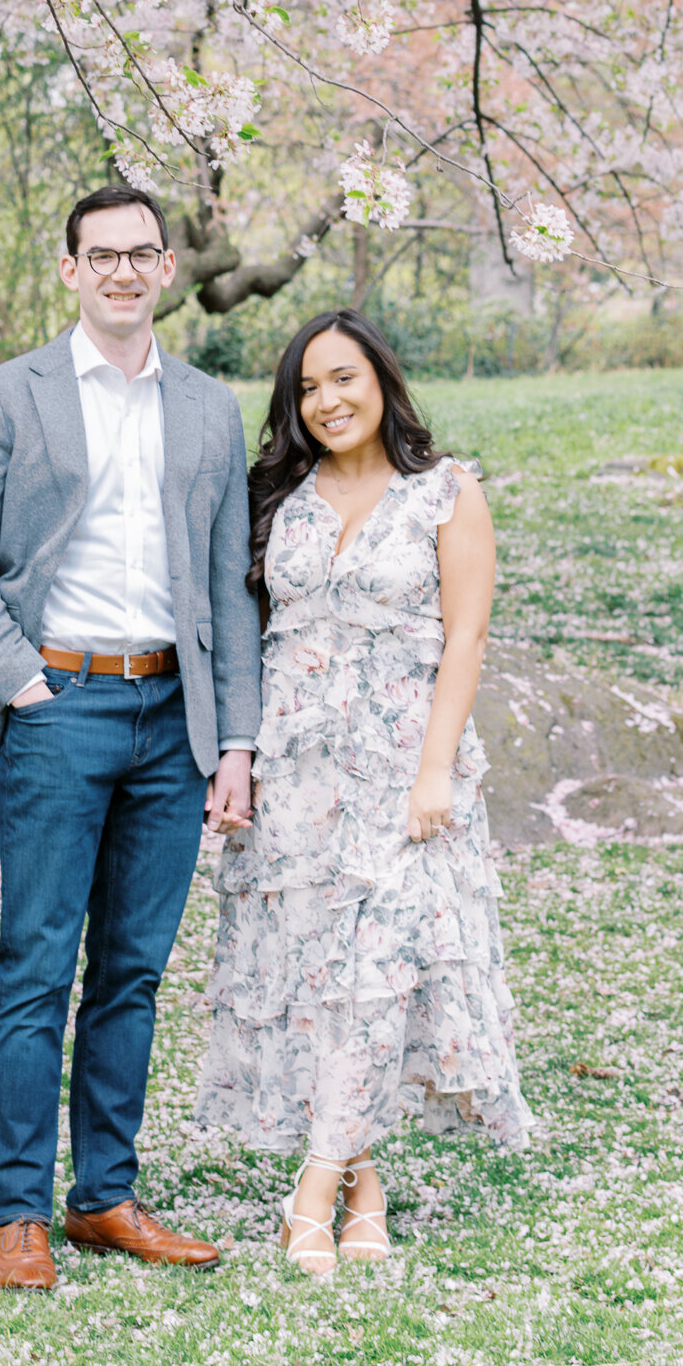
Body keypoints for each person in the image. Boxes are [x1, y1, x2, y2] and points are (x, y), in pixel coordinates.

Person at [0, 184, 262, 1292]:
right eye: (100, 255)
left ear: (168, 270)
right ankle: (19, 1211)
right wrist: (22, 685)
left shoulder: (210, 409)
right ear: (69, 269)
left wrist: (237, 744)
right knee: (35, 965)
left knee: (131, 971)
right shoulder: (9, 396)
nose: (122, 272)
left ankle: (104, 1198)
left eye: (141, 254)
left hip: (174, 719)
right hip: (58, 705)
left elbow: (228, 589)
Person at [195, 309, 531, 1275]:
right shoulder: (276, 496)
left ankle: (312, 1187)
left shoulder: (444, 491)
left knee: (381, 965)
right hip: (295, 772)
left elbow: (464, 637)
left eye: (343, 378)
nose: (327, 401)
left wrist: (435, 769)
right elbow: (246, 634)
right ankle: (364, 1183)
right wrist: (241, 755)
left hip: (400, 772)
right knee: (320, 979)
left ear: (381, 379)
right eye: (307, 388)